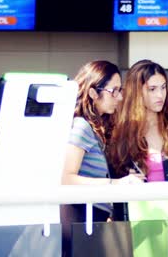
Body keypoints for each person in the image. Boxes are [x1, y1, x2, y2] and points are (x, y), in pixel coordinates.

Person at [60, 60, 143, 256]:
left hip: (89, 220)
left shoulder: (93, 129)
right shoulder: (81, 127)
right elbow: (66, 179)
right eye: (114, 91)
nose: (120, 97)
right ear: (92, 93)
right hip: (80, 220)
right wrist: (116, 184)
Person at [108, 59, 168, 182]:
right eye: (152, 89)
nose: (160, 95)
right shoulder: (120, 136)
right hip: (141, 201)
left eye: (163, 88)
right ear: (136, 93)